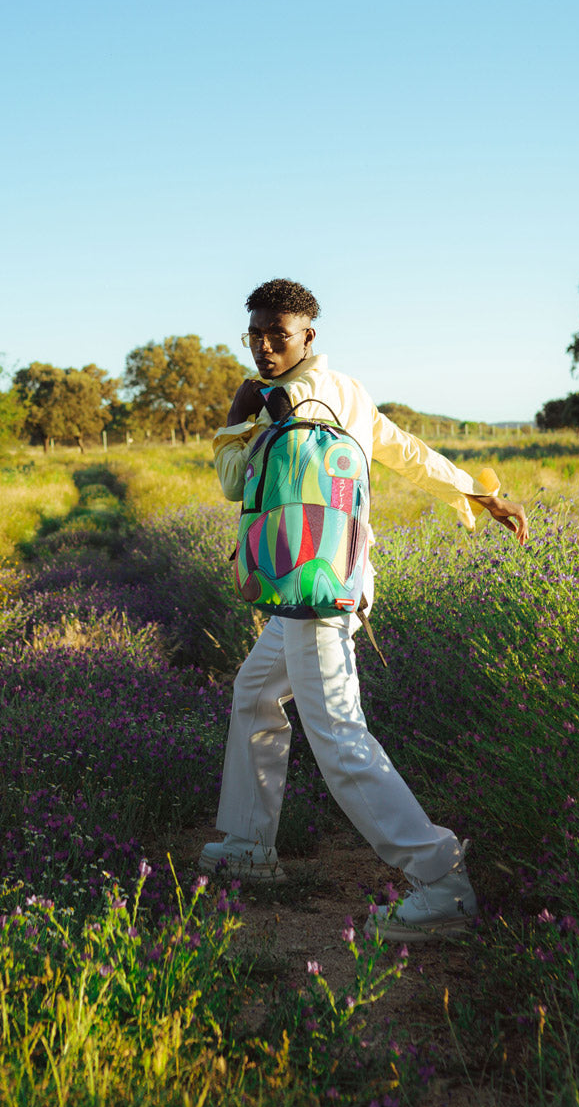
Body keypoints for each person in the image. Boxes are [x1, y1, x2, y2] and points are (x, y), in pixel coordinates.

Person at [198, 278, 528, 941]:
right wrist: (478, 494)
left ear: (307, 336)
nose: (264, 348)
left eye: (277, 335)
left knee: (341, 737)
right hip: (334, 579)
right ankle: (250, 846)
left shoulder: (278, 399)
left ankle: (441, 881)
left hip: (310, 594)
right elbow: (404, 449)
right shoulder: (348, 389)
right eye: (255, 335)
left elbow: (235, 482)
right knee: (255, 689)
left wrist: (239, 420)